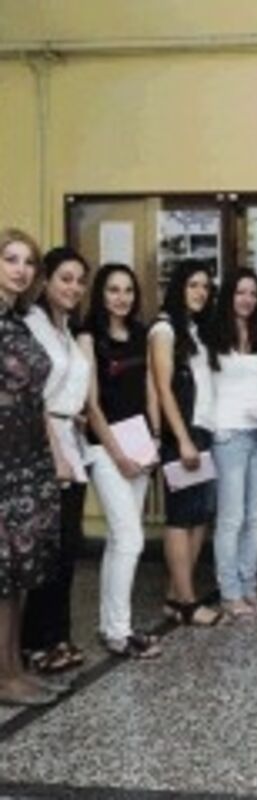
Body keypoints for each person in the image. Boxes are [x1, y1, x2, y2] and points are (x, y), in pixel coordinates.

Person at [79, 263, 162, 658]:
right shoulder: (88, 337)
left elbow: (149, 388)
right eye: (113, 289)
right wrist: (118, 455)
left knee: (119, 539)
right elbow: (91, 405)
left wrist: (155, 438)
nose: (121, 297)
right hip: (104, 449)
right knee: (131, 538)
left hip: (140, 445)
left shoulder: (142, 334)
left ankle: (111, 626)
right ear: (101, 293)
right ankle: (120, 631)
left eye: (128, 290)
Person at [0, 229, 68, 706]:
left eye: (28, 262)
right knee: (4, 574)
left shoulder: (18, 321)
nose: (20, 269)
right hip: (4, 459)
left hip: (29, 456)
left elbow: (33, 394)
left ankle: (14, 667)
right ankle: (4, 677)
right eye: (10, 259)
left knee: (20, 573)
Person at [22, 248, 92, 672]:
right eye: (66, 279)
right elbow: (34, 396)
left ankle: (57, 635)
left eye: (80, 280)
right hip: (45, 445)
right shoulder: (31, 324)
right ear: (45, 280)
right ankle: (36, 642)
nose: (74, 287)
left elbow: (66, 387)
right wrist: (57, 455)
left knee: (67, 549)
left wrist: (76, 415)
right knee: (48, 551)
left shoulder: (65, 328)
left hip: (71, 438)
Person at [149, 259, 221, 626]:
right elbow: (164, 388)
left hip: (202, 429)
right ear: (179, 287)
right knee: (181, 516)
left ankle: (176, 595)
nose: (200, 292)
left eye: (205, 286)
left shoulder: (195, 328)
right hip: (183, 433)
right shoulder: (164, 329)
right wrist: (182, 439)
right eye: (193, 285)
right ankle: (188, 603)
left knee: (199, 515)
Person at [208, 268, 257, 618]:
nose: (247, 299)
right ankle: (229, 592)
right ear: (228, 295)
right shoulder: (210, 337)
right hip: (229, 435)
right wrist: (214, 428)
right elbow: (205, 389)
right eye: (241, 292)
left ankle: (249, 588)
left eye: (253, 293)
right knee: (231, 518)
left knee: (255, 518)